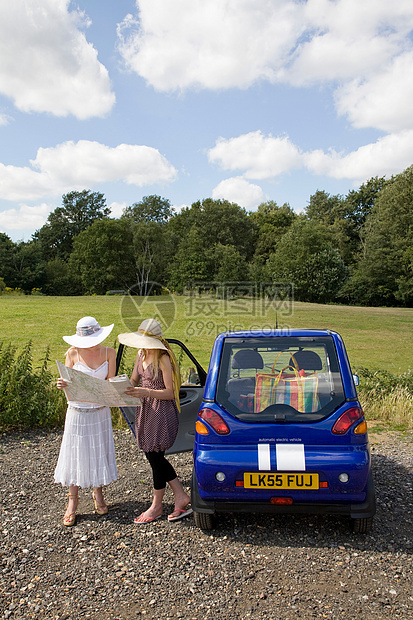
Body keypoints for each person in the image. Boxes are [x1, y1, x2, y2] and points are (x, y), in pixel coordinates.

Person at [118, 319, 192, 524]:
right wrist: (118, 387)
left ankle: (157, 505)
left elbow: (170, 392)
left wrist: (145, 391)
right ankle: (179, 496)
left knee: (155, 456)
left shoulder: (163, 358)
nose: (142, 344)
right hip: (145, 410)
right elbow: (133, 380)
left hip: (161, 410)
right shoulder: (141, 354)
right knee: (154, 456)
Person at [54, 316, 118, 527]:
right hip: (77, 411)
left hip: (99, 410)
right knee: (75, 452)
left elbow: (110, 384)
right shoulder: (72, 353)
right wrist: (63, 383)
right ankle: (72, 501)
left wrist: (116, 387)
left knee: (97, 450)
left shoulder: (110, 352)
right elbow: (68, 383)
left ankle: (98, 493)